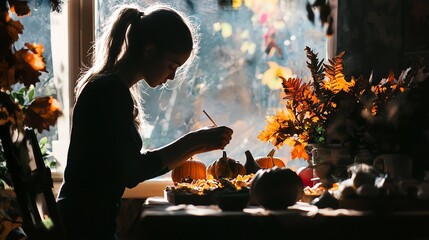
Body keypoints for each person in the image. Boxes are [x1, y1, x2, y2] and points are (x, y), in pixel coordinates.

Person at [56, 3, 233, 240]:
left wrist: (197, 145)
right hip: (84, 230)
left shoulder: (109, 88)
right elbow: (132, 171)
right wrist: (195, 140)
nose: (171, 76)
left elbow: (126, 165)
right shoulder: (109, 93)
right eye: (172, 66)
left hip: (83, 223)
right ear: (150, 50)